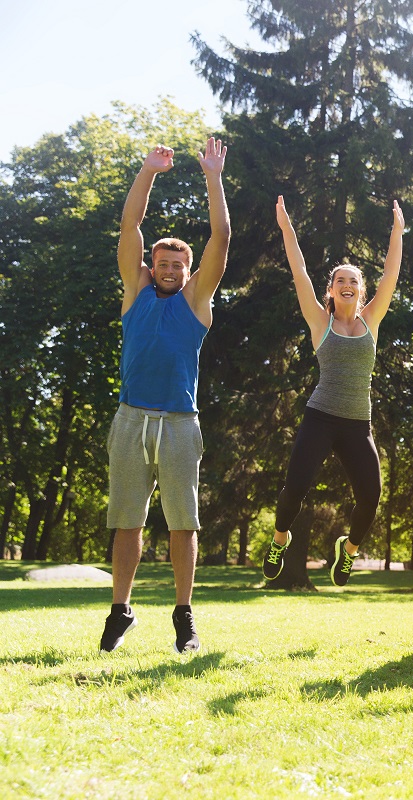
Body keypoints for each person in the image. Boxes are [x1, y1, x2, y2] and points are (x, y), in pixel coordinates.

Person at [100, 139, 229, 653]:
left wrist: (212, 177)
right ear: (151, 265)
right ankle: (120, 611)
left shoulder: (197, 301)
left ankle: (183, 616)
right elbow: (130, 226)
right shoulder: (135, 292)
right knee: (127, 521)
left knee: (183, 524)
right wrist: (148, 171)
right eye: (163, 262)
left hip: (179, 423)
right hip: (131, 419)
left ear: (190, 270)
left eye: (180, 264)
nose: (171, 270)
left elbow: (222, 234)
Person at [261, 196, 404, 587]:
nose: (347, 285)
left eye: (353, 281)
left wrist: (396, 232)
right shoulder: (319, 320)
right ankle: (280, 540)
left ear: (361, 290)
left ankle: (349, 551)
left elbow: (391, 274)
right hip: (321, 417)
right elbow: (299, 270)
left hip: (358, 424)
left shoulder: (372, 320)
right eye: (340, 280)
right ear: (332, 289)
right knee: (295, 488)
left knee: (371, 496)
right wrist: (287, 228)